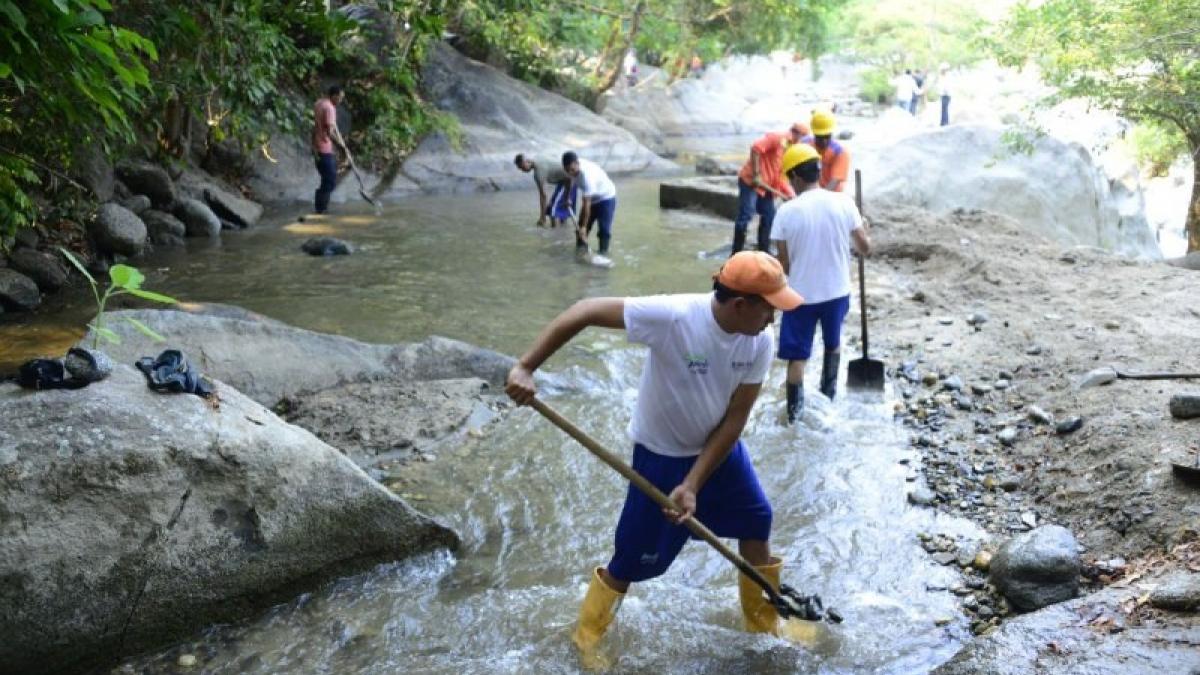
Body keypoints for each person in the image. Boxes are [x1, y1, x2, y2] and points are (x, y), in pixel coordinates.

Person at [504, 251, 804, 666]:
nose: (773, 319)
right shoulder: (674, 317)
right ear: (740, 305)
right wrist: (524, 366)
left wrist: (694, 483)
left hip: (719, 453)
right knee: (633, 556)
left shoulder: (759, 340)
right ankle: (588, 637)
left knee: (757, 521)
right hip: (660, 457)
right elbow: (584, 310)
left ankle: (764, 624)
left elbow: (735, 419)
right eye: (770, 309)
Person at [771, 143, 871, 422]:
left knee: (797, 359)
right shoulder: (844, 202)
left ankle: (794, 417)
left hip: (800, 296)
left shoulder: (786, 213)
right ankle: (828, 400)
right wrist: (867, 230)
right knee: (832, 344)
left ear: (795, 178)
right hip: (837, 292)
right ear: (817, 172)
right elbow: (865, 248)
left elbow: (785, 265)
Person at [731, 123, 808, 254]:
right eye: (803, 137)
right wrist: (756, 174)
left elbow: (781, 177)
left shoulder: (791, 152)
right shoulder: (777, 138)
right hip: (750, 181)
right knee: (746, 215)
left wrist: (790, 196)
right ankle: (736, 252)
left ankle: (763, 252)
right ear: (796, 134)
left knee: (769, 217)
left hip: (767, 187)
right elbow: (756, 148)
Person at [562, 151, 617, 255]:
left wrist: (583, 227)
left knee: (603, 230)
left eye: (572, 170)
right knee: (580, 229)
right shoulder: (570, 169)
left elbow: (586, 205)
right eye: (567, 170)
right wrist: (567, 197)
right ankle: (581, 252)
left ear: (577, 163)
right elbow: (569, 180)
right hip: (591, 198)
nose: (570, 173)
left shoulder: (587, 176)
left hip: (606, 197)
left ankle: (603, 254)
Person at [312, 85, 351, 214]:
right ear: (334, 96)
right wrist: (342, 148)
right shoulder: (329, 108)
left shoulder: (319, 103)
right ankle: (321, 209)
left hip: (317, 147)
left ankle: (321, 208)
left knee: (326, 178)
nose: (340, 101)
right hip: (324, 148)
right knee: (330, 180)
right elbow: (330, 131)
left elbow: (315, 126)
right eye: (340, 98)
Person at [514, 153, 576, 227]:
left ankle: (555, 235)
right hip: (566, 180)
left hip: (570, 181)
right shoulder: (539, 157)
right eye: (520, 168)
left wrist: (542, 217)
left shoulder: (538, 173)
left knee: (552, 210)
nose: (522, 170)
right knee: (559, 209)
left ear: (527, 161)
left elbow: (543, 196)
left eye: (522, 167)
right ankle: (563, 232)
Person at [804, 109, 851, 193]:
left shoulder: (840, 152)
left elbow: (835, 181)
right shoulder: (805, 145)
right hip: (811, 191)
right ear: (814, 133)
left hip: (833, 195)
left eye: (827, 136)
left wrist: (819, 198)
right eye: (820, 137)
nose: (824, 141)